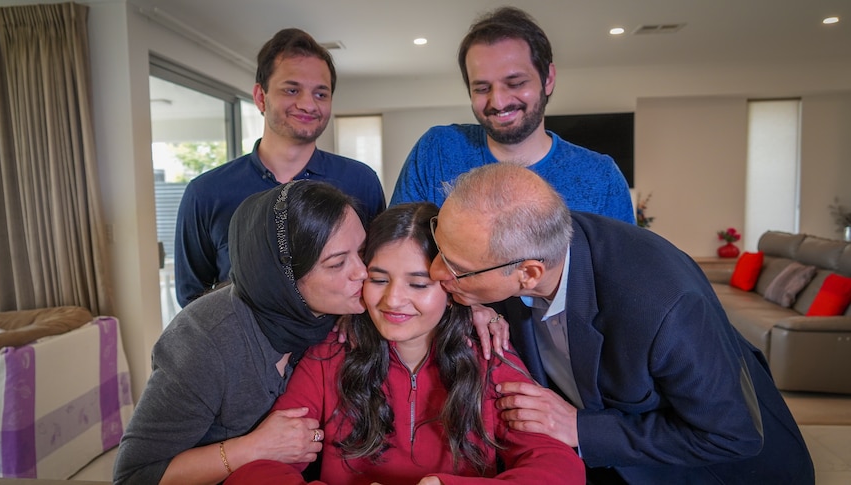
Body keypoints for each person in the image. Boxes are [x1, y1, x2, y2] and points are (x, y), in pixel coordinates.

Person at [428, 163, 815, 484]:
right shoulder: (521, 246)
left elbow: (732, 435)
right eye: (439, 248)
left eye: (457, 268)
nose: (434, 271)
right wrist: (474, 302)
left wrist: (581, 429)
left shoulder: (664, 306)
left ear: (529, 273)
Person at [224, 202, 585, 485]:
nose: (393, 301)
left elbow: (560, 470)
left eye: (418, 284)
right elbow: (257, 471)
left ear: (450, 286)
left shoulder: (490, 354)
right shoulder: (328, 356)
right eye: (379, 279)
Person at [114, 181, 369, 485]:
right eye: (337, 263)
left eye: (362, 251)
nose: (362, 272)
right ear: (284, 279)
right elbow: (134, 476)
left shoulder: (335, 314)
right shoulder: (203, 341)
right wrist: (253, 448)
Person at [174, 28, 386, 307]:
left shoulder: (360, 181)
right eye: (292, 90)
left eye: (321, 94)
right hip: (244, 348)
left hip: (340, 346)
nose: (308, 104)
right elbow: (193, 297)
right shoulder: (207, 192)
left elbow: (377, 272)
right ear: (261, 97)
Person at [389, 6, 634, 225]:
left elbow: (622, 271)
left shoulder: (602, 178)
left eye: (515, 83)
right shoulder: (437, 150)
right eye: (482, 88)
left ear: (548, 79)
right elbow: (397, 251)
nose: (499, 101)